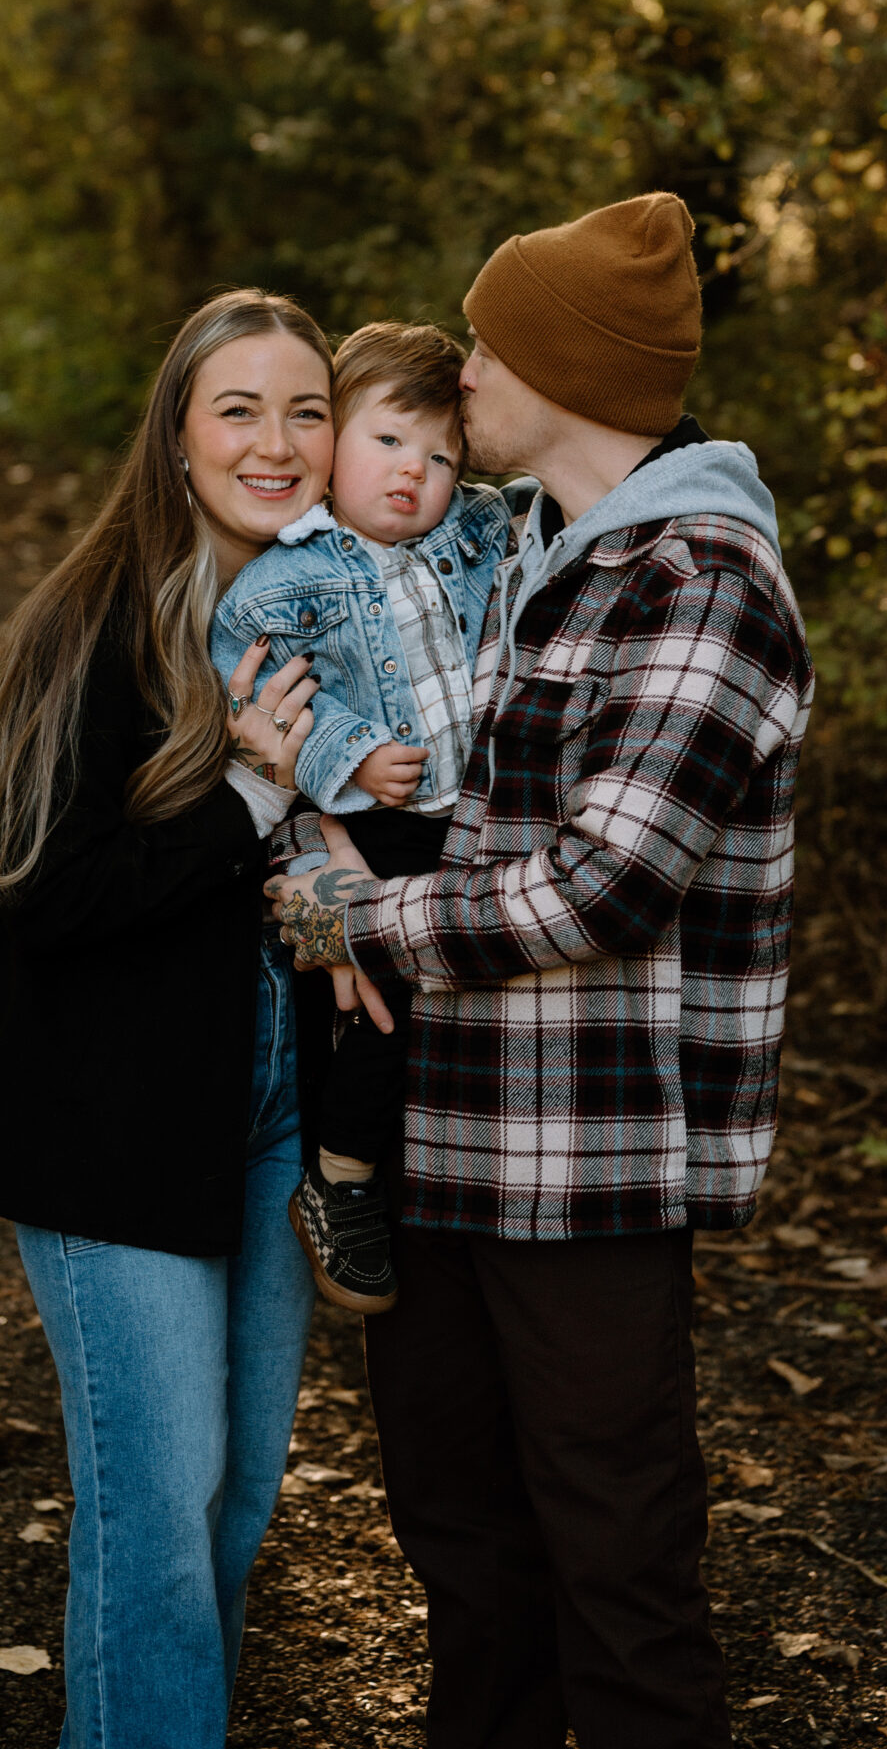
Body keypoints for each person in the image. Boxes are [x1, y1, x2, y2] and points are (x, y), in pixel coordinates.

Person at [271, 193, 815, 1749]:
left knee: (618, 1576)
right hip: (435, 1142)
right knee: (468, 1566)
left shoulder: (701, 584)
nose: (461, 377)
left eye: (486, 347)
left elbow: (602, 885)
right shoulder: (511, 555)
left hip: (588, 1168)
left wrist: (351, 925)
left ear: (564, 371)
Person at [0, 288, 343, 1749]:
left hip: (267, 1115)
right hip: (105, 1118)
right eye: (238, 408)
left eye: (306, 409)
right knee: (156, 1515)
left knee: (234, 1507)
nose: (277, 440)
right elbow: (45, 889)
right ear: (176, 437)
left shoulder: (330, 609)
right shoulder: (93, 622)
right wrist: (243, 799)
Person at [212, 321, 516, 1314]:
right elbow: (243, 671)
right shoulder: (291, 571)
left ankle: (387, 1168)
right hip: (376, 821)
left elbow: (536, 502)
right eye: (387, 441)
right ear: (333, 439)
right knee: (374, 1006)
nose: (411, 473)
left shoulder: (465, 534)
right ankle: (337, 1174)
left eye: (437, 457)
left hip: (461, 825)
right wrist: (343, 749)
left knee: (428, 1005)